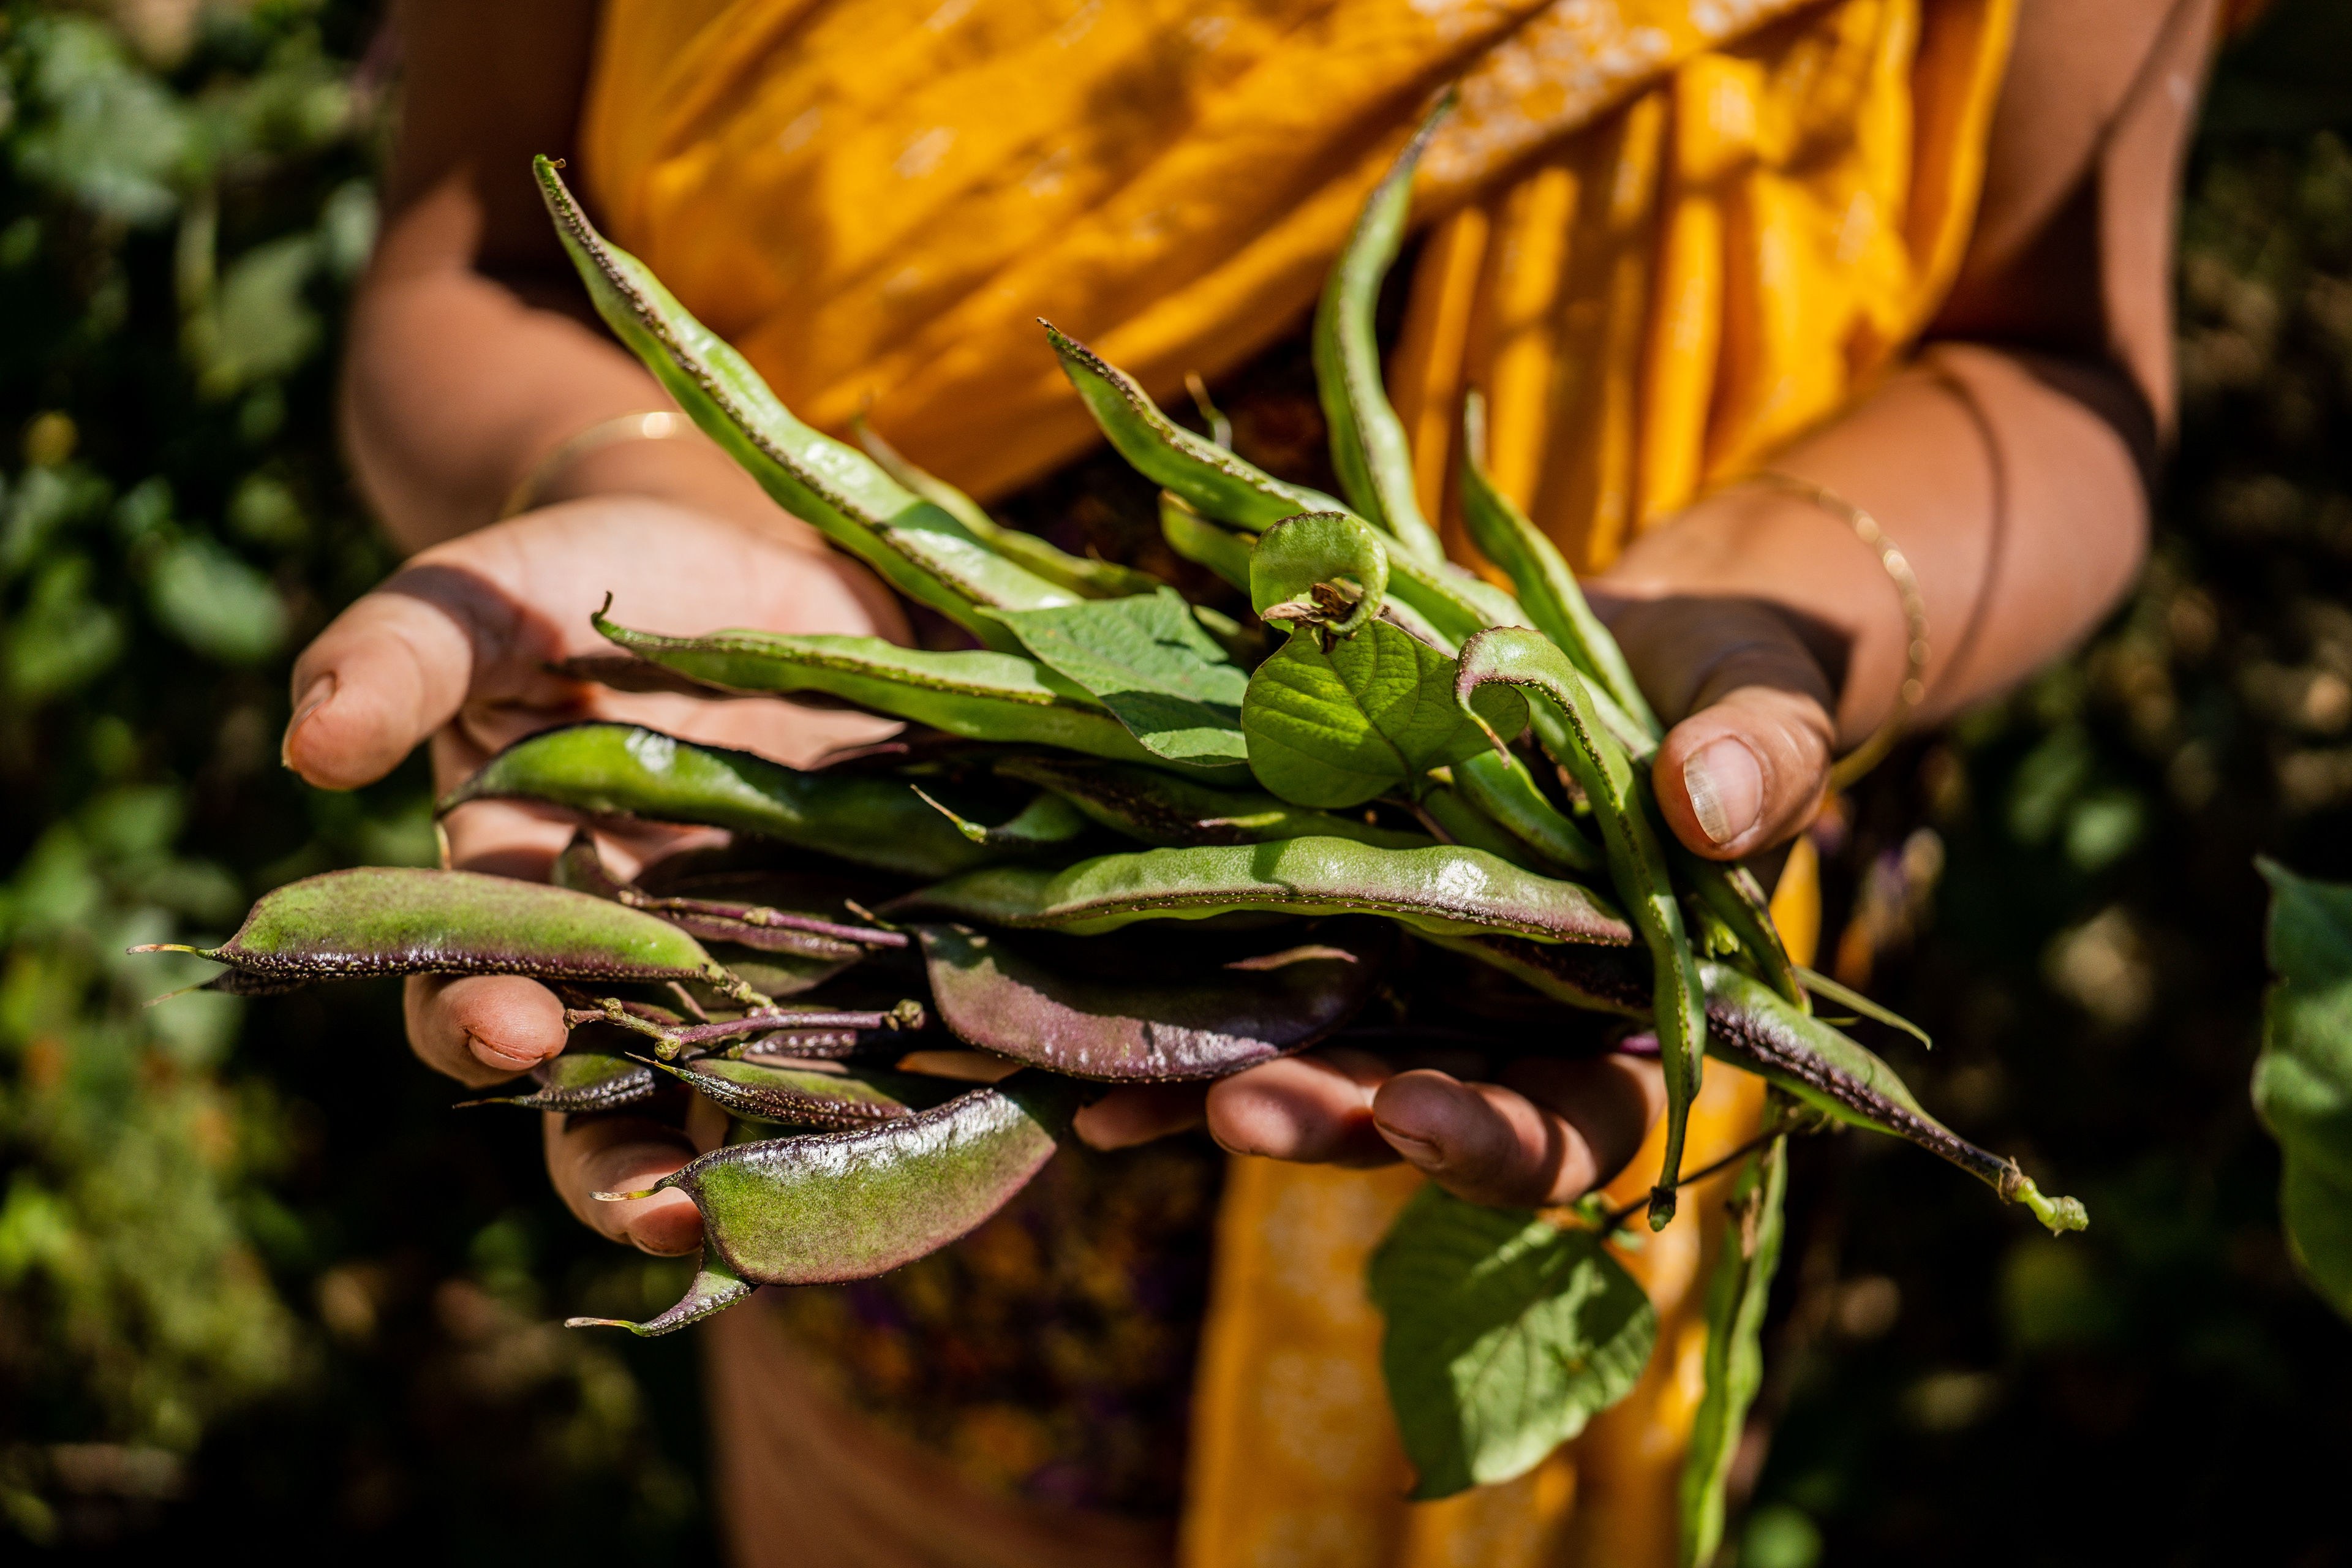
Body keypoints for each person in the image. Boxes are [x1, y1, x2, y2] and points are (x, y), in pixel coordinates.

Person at [288, 1, 2215, 1561]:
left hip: (1547, 974)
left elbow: (2052, 358)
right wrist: (646, 492)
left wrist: (1771, 611)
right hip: (901, 1012)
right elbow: (471, 256)